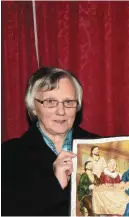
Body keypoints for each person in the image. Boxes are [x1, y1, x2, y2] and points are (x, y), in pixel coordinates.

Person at [2, 67, 98, 215]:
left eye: (68, 102)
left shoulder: (97, 146)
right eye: (50, 102)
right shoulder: (8, 155)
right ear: (33, 107)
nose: (61, 111)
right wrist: (55, 186)